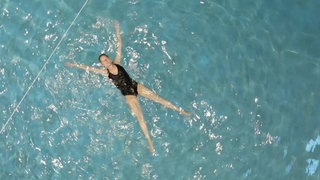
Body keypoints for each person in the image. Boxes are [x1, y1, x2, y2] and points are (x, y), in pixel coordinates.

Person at [65, 20, 190, 152]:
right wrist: (74, 65)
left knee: (158, 98)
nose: (105, 61)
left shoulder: (117, 62)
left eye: (106, 59)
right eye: (102, 61)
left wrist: (117, 30)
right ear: (102, 65)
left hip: (136, 86)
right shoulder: (104, 72)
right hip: (129, 95)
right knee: (140, 116)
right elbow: (88, 68)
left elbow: (119, 45)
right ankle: (150, 141)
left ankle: (181, 111)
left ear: (110, 59)